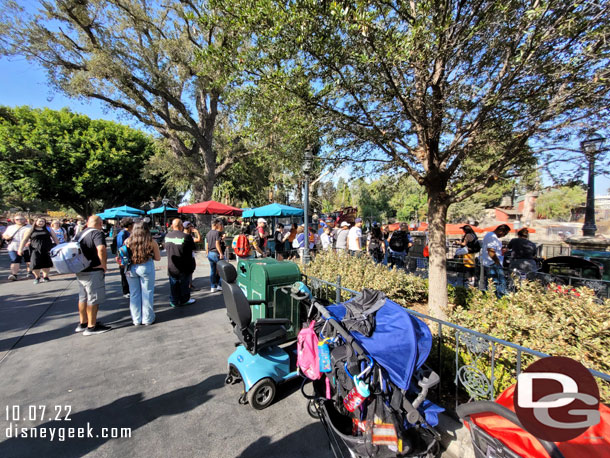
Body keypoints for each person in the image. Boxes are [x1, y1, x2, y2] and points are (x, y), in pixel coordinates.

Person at [74, 215, 111, 335]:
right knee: (93, 297)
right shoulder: (97, 233)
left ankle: (83, 322)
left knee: (83, 297)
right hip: (93, 269)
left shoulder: (80, 234)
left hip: (81, 268)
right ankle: (91, 326)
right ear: (100, 223)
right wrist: (103, 264)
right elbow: (101, 248)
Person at [124, 222, 161, 326]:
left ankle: (136, 319)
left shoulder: (127, 241)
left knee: (134, 293)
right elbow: (158, 258)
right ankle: (148, 318)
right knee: (147, 292)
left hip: (131, 268)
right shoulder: (151, 242)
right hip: (146, 266)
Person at [18, 217, 60, 284]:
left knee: (46, 263)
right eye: (40, 221)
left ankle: (45, 277)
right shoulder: (30, 230)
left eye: (43, 221)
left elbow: (54, 238)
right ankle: (37, 277)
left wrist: (58, 246)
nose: (41, 223)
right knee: (35, 263)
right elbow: (24, 240)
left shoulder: (48, 229)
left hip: (47, 248)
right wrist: (20, 249)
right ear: (36, 222)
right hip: (35, 249)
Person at [165, 218, 197, 306]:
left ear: (172, 226)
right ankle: (184, 300)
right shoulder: (186, 236)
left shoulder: (167, 236)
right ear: (181, 226)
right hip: (184, 265)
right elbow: (193, 248)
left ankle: (174, 301)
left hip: (171, 265)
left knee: (173, 284)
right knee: (184, 284)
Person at [479, 224, 511, 298]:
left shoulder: (491, 236)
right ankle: (500, 298)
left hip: (491, 263)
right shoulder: (492, 237)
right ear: (500, 231)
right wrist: (497, 262)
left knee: (492, 283)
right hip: (492, 263)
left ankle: (492, 298)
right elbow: (491, 251)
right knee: (500, 282)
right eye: (505, 233)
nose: (504, 235)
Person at [3, 214, 33, 281]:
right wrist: (6, 237)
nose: (19, 220)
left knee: (28, 261)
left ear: (24, 219)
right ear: (14, 220)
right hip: (13, 246)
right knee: (15, 260)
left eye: (21, 219)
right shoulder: (10, 227)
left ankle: (30, 272)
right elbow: (4, 235)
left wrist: (29, 242)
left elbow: (34, 236)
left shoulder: (30, 227)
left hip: (26, 247)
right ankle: (14, 274)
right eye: (17, 219)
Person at [116, 218, 134, 298]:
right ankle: (126, 291)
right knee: (124, 273)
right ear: (129, 225)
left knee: (128, 273)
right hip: (124, 256)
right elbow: (121, 247)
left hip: (128, 256)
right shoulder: (122, 234)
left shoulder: (127, 233)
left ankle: (129, 289)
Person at [206, 219, 225, 293]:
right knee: (222, 270)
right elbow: (217, 244)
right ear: (216, 224)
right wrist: (221, 253)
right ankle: (220, 285)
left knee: (213, 270)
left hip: (210, 253)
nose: (220, 226)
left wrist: (207, 253)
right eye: (219, 224)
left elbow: (207, 244)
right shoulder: (217, 233)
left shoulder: (208, 233)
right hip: (215, 253)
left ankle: (212, 286)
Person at [184, 221, 201, 289]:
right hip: (189, 257)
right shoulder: (188, 236)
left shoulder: (184, 235)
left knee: (190, 271)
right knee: (189, 271)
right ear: (189, 227)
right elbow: (199, 240)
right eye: (191, 227)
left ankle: (189, 284)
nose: (193, 228)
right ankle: (188, 285)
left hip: (188, 256)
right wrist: (197, 232)